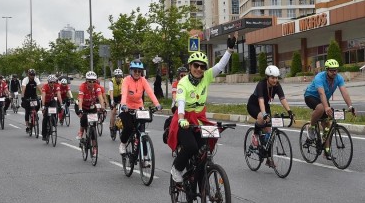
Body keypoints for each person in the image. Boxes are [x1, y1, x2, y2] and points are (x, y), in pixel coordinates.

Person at [167, 32, 238, 184]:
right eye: (196, 65)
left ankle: (204, 190)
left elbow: (220, 66)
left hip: (199, 120)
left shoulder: (206, 77)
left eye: (202, 66)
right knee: (191, 147)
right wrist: (181, 120)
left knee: (204, 152)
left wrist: (229, 50)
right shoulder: (183, 83)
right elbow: (180, 103)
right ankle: (177, 169)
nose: (199, 69)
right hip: (184, 121)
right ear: (190, 66)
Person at [303, 59, 356, 159]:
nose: (334, 72)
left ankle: (327, 151)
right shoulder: (319, 77)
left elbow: (344, 92)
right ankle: (311, 127)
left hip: (323, 99)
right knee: (321, 108)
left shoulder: (338, 78)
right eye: (332, 70)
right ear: (327, 70)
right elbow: (321, 93)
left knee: (327, 123)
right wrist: (326, 107)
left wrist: (350, 106)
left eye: (336, 70)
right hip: (311, 96)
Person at [246, 65, 293, 166]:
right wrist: (264, 115)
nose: (275, 80)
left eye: (276, 78)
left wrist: (289, 111)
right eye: (272, 78)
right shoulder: (261, 84)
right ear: (267, 77)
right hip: (253, 105)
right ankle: (255, 134)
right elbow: (261, 101)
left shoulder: (277, 85)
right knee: (261, 119)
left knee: (269, 132)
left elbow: (282, 99)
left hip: (265, 106)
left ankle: (268, 158)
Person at [118, 60, 162, 155]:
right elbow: (124, 93)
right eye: (135, 71)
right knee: (129, 127)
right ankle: (123, 143)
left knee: (142, 132)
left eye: (139, 71)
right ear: (131, 71)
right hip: (127, 108)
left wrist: (157, 104)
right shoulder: (126, 80)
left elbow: (150, 92)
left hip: (139, 108)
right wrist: (123, 104)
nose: (137, 73)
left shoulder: (143, 80)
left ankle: (145, 158)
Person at [76, 71, 106, 140]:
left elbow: (100, 98)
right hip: (82, 106)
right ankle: (81, 132)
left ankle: (94, 146)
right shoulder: (82, 86)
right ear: (86, 81)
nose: (92, 83)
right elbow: (80, 99)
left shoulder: (97, 87)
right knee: (83, 119)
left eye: (94, 81)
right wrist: (80, 109)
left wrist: (103, 108)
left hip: (91, 106)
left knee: (94, 123)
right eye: (90, 81)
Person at [40, 75, 63, 141]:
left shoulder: (57, 86)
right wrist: (43, 106)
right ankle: (44, 134)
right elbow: (43, 96)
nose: (52, 84)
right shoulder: (45, 87)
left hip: (52, 100)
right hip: (45, 102)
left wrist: (61, 104)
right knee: (45, 118)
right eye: (51, 82)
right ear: (48, 82)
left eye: (54, 82)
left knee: (56, 108)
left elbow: (58, 95)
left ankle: (53, 120)